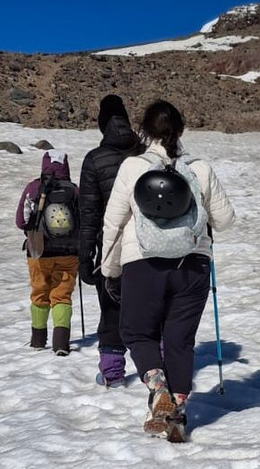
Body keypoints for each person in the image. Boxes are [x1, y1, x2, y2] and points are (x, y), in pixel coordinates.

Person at [100, 100, 235, 440]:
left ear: (143, 130)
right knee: (179, 340)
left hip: (142, 264)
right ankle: (178, 412)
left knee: (138, 333)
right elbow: (226, 219)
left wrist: (109, 269)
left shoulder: (133, 167)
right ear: (181, 130)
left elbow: (114, 223)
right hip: (192, 265)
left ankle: (158, 389)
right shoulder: (199, 168)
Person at [78, 94, 145, 386]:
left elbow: (89, 214)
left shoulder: (95, 159)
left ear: (102, 124)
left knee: (111, 309)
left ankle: (113, 372)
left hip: (112, 246)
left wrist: (84, 257)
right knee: (151, 309)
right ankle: (160, 369)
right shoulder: (146, 154)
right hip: (148, 243)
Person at [15, 150, 80, 355]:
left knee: (39, 293)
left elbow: (20, 221)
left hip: (38, 250)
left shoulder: (34, 188)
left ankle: (38, 340)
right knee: (62, 296)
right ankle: (61, 343)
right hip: (69, 252)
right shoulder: (74, 191)